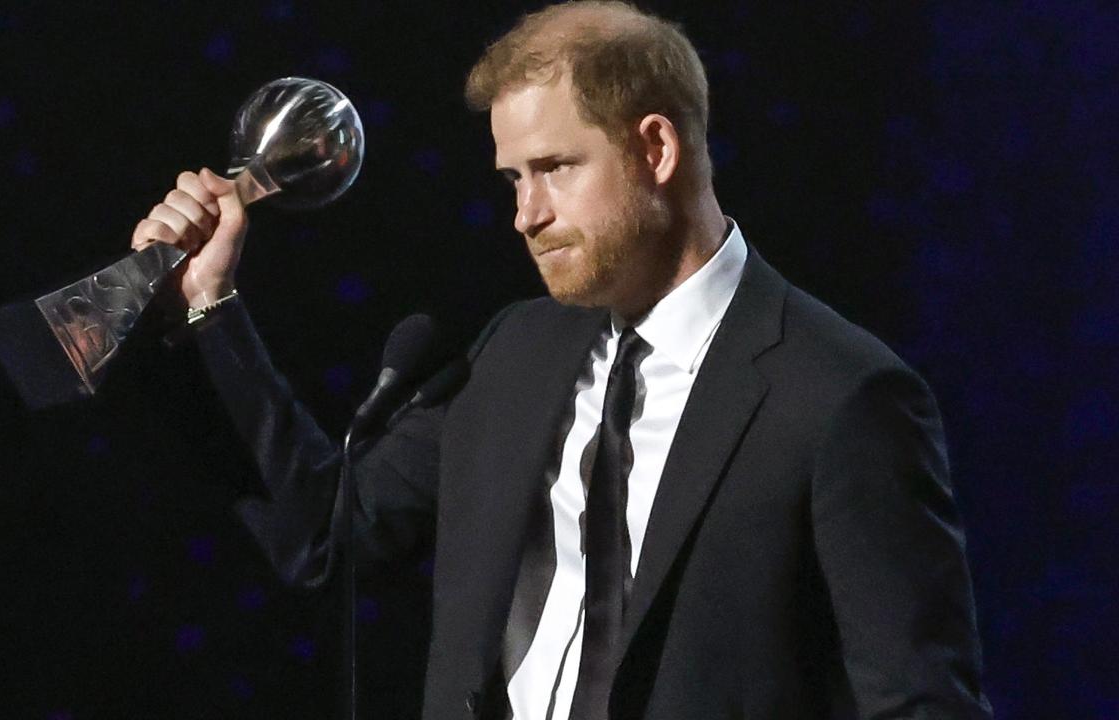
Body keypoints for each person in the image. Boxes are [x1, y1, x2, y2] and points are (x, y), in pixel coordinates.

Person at [131, 2, 992, 718]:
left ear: (656, 149)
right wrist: (210, 306)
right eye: (513, 179)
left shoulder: (841, 395)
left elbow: (920, 706)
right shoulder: (515, 351)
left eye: (552, 169)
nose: (525, 215)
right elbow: (327, 533)